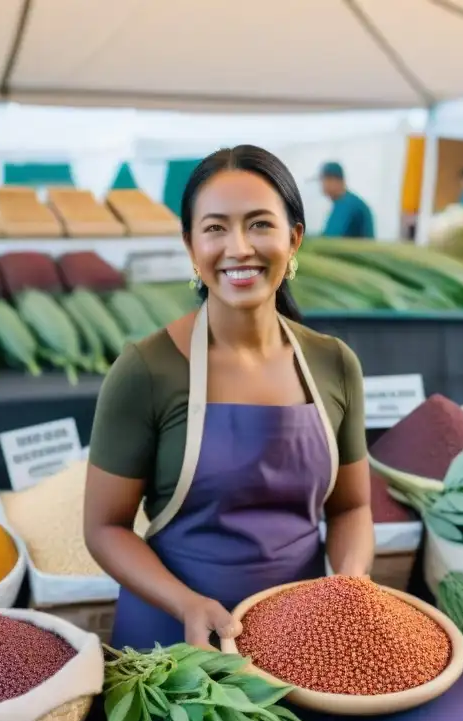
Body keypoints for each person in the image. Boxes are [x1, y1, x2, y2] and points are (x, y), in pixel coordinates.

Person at [84, 145, 375, 650]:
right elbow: (105, 527)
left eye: (260, 224)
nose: (239, 248)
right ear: (191, 246)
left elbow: (352, 507)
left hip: (305, 643)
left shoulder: (334, 364)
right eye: (216, 228)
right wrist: (185, 603)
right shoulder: (147, 370)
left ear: (295, 238)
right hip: (175, 648)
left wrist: (349, 584)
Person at [318, 162, 374, 238]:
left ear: (337, 180)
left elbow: (332, 237)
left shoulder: (350, 205)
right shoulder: (339, 203)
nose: (322, 185)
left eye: (325, 180)